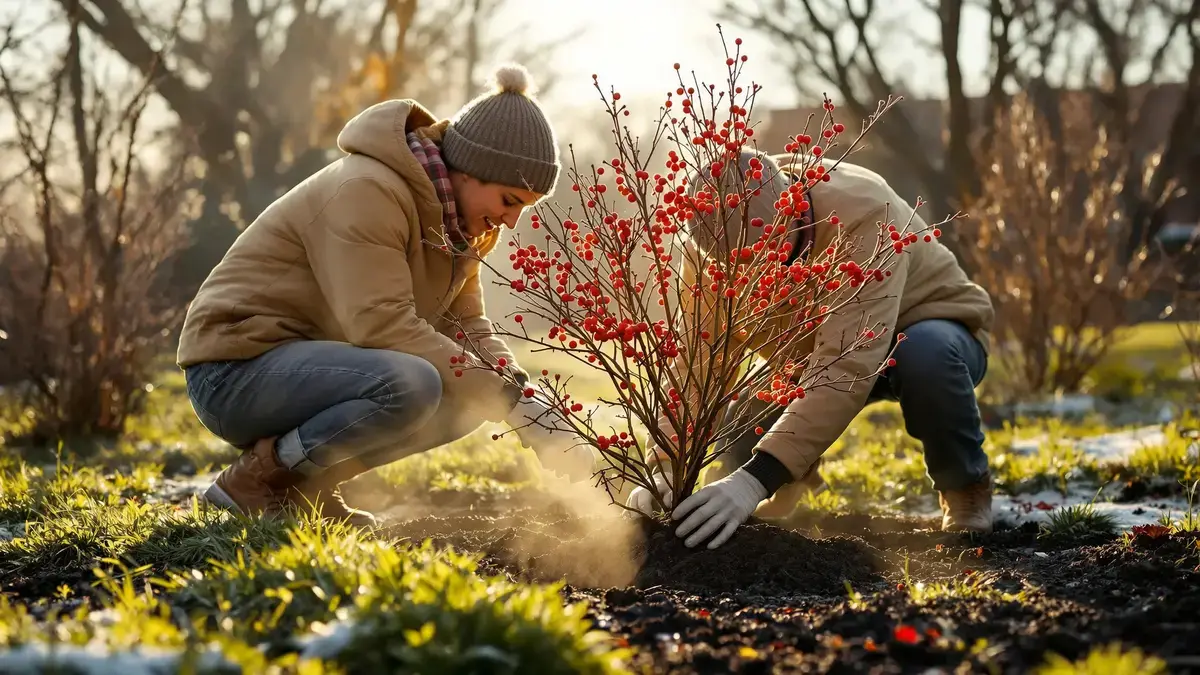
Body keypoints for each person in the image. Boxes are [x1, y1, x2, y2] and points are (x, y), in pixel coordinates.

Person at [177, 64, 594, 528]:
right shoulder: (369, 189)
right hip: (234, 370)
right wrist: (510, 403)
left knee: (473, 399)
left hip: (311, 366)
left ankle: (304, 489)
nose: (511, 222)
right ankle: (255, 478)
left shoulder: (459, 226)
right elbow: (380, 324)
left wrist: (522, 398)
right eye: (510, 201)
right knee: (413, 383)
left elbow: (467, 327)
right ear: (471, 170)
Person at [626, 149, 996, 549]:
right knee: (736, 452)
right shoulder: (706, 247)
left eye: (764, 260)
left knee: (926, 356)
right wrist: (666, 463)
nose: (753, 277)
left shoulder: (863, 214)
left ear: (792, 211)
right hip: (808, 357)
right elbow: (699, 362)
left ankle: (965, 488)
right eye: (739, 269)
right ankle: (793, 484)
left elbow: (848, 364)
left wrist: (757, 479)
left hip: (925, 329)